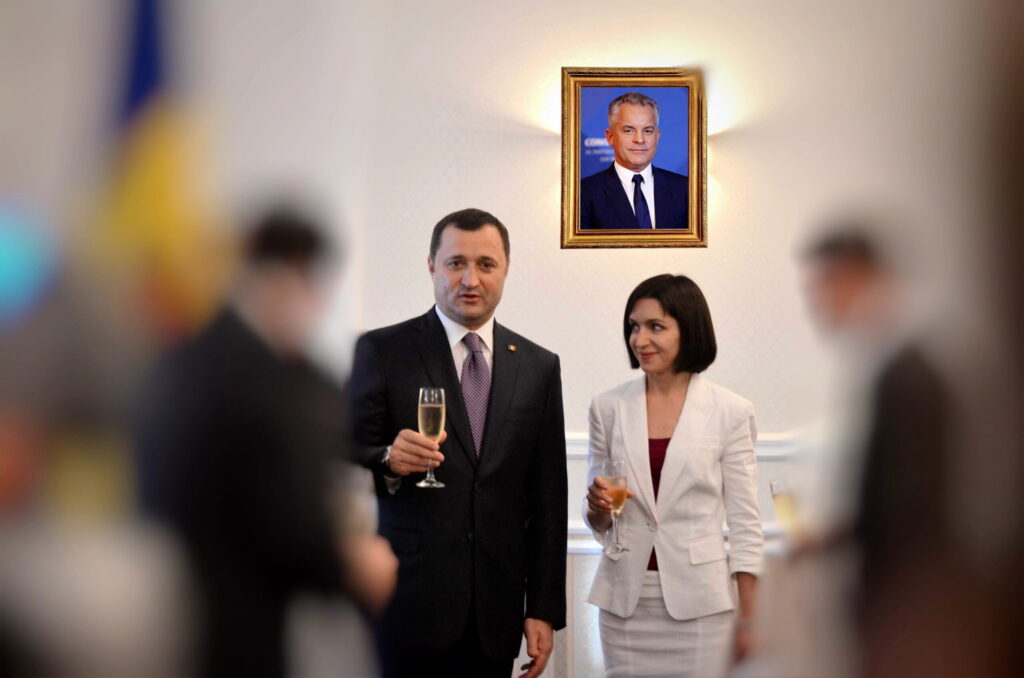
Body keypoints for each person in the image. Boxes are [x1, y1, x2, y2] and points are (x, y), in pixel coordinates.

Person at [135, 206, 397, 678]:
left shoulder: (184, 359)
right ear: (298, 275)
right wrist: (349, 562)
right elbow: (286, 516)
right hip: (237, 623)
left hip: (171, 619)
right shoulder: (261, 382)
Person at [348, 208, 567, 678]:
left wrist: (542, 607)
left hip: (496, 612)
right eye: (455, 263)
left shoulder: (539, 366)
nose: (470, 279)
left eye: (486, 264)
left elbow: (548, 498)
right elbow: (345, 450)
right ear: (432, 266)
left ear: (506, 269)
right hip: (406, 605)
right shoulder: (383, 351)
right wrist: (388, 458)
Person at [584, 274, 762, 678]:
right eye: (634, 327)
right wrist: (596, 507)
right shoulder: (607, 407)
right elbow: (598, 522)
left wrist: (751, 620)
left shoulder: (731, 411)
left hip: (702, 607)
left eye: (656, 326)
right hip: (624, 603)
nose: (640, 339)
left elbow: (746, 524)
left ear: (689, 329)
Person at [580, 92, 689, 230]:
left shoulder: (686, 189)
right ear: (610, 137)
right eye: (628, 131)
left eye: (647, 131)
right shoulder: (583, 193)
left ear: (657, 137)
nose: (639, 139)